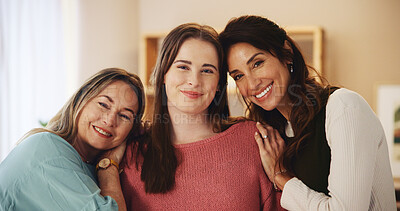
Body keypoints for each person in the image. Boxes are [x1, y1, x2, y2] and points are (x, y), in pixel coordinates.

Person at [218, 15, 396, 210]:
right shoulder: (270, 134)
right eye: (239, 76)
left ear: (286, 53)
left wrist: (281, 177)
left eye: (257, 63)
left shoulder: (344, 107)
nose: (251, 84)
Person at [120, 23, 284, 210]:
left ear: (219, 84)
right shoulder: (131, 151)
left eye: (207, 71)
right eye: (183, 67)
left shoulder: (253, 139)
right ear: (164, 74)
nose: (194, 81)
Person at [0, 68, 145, 211]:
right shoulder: (47, 149)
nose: (110, 120)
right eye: (103, 105)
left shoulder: (85, 166)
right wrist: (108, 167)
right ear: (80, 100)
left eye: (125, 116)